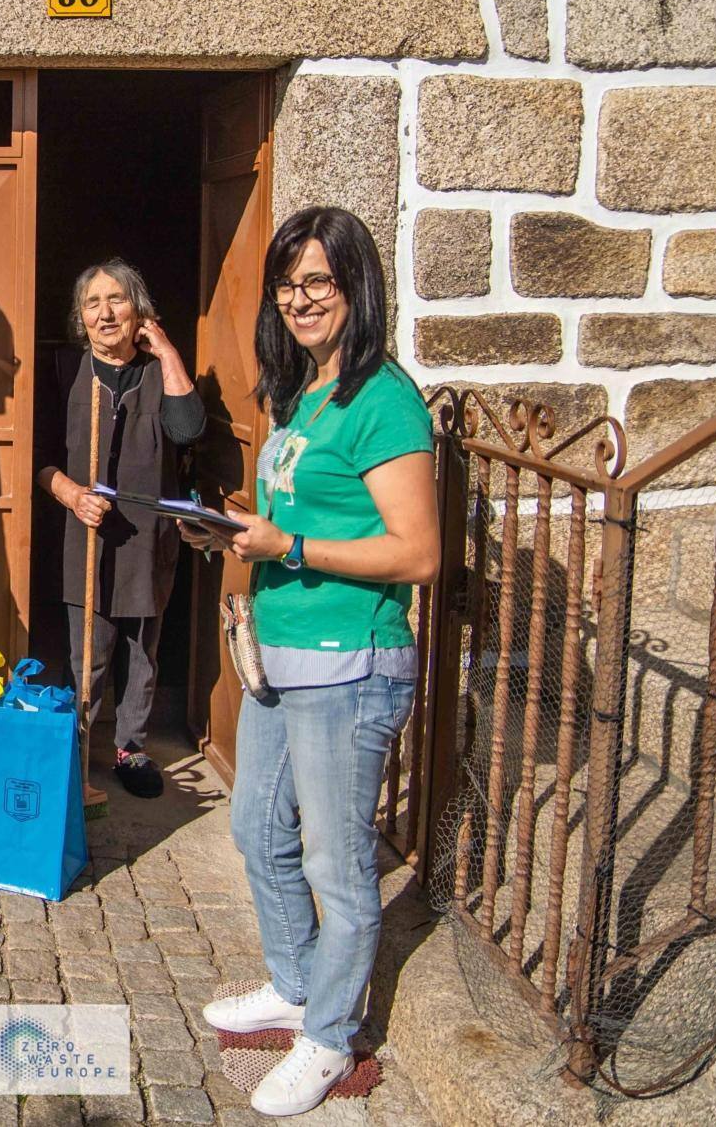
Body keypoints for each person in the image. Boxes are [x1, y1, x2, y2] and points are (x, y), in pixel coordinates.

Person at [185, 205, 439, 1117]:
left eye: (318, 282)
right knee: (257, 830)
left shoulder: (384, 399)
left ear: (357, 287)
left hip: (353, 662)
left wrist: (284, 544)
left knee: (338, 863)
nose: (299, 299)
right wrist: (236, 530)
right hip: (283, 657)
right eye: (288, 283)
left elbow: (416, 553)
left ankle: (331, 1036)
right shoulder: (305, 393)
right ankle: (295, 985)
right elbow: (306, 518)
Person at [35, 259, 204, 802]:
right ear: (80, 317)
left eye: (117, 301)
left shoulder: (160, 373)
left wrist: (169, 352)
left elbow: (187, 428)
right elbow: (37, 454)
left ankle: (131, 747)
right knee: (90, 654)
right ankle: (78, 753)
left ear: (140, 313)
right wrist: (69, 492)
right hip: (84, 529)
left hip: (149, 534)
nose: (105, 313)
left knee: (143, 650)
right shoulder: (63, 369)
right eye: (93, 304)